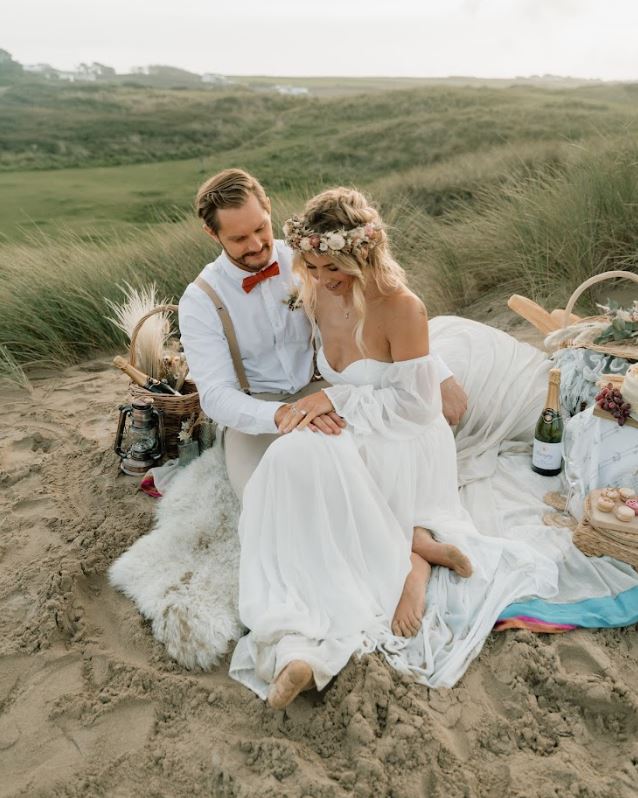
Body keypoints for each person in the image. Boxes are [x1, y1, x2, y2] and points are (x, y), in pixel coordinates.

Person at [228, 187, 558, 709]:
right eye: (312, 267)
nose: (321, 279)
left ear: (364, 254)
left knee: (310, 469)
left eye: (332, 268)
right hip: (358, 425)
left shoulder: (402, 308)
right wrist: (310, 404)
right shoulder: (315, 292)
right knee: (287, 464)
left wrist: (333, 399)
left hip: (403, 440)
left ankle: (408, 566)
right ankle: (296, 632)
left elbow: (417, 408)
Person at [178, 169, 468, 502]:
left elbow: (386, 309)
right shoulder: (200, 300)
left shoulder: (312, 257)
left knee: (362, 489)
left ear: (268, 206)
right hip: (257, 411)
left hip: (327, 389)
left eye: (260, 228)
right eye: (239, 239)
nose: (256, 245)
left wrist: (437, 372)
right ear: (212, 233)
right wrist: (280, 415)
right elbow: (216, 395)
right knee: (266, 500)